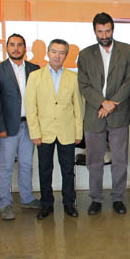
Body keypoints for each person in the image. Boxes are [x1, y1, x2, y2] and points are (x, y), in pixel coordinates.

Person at [78, 12, 130, 216]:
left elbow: (129, 81)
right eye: (100, 31)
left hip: (118, 113)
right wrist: (102, 102)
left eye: (108, 31)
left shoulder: (127, 51)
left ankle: (118, 198)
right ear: (94, 31)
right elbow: (84, 84)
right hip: (94, 114)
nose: (104, 35)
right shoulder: (85, 54)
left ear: (113, 29)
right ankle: (95, 198)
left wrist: (111, 104)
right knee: (94, 160)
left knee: (120, 159)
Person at [25, 39, 83, 219]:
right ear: (48, 53)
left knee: (68, 170)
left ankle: (69, 203)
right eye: (54, 52)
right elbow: (30, 107)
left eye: (61, 52)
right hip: (44, 133)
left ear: (66, 55)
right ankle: (46, 204)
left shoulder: (73, 77)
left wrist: (78, 132)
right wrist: (34, 132)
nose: (57, 56)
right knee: (45, 170)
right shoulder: (35, 76)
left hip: (67, 131)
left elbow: (78, 107)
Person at [0, 33, 41, 221]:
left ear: (25, 48)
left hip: (29, 125)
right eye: (12, 45)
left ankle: (27, 198)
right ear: (7, 48)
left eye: (19, 45)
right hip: (8, 127)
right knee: (6, 166)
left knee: (26, 164)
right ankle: (4, 203)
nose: (16, 48)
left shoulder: (34, 69)